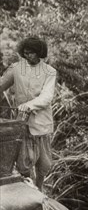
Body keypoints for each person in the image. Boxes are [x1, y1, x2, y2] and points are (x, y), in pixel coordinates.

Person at [0, 37, 57, 190]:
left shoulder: (49, 72)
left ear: (39, 53)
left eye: (31, 53)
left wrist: (29, 105)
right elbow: (1, 85)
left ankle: (40, 188)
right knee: (24, 163)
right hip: (21, 123)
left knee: (44, 164)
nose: (28, 56)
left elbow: (47, 97)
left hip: (41, 123)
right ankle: (28, 189)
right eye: (25, 53)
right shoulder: (16, 69)